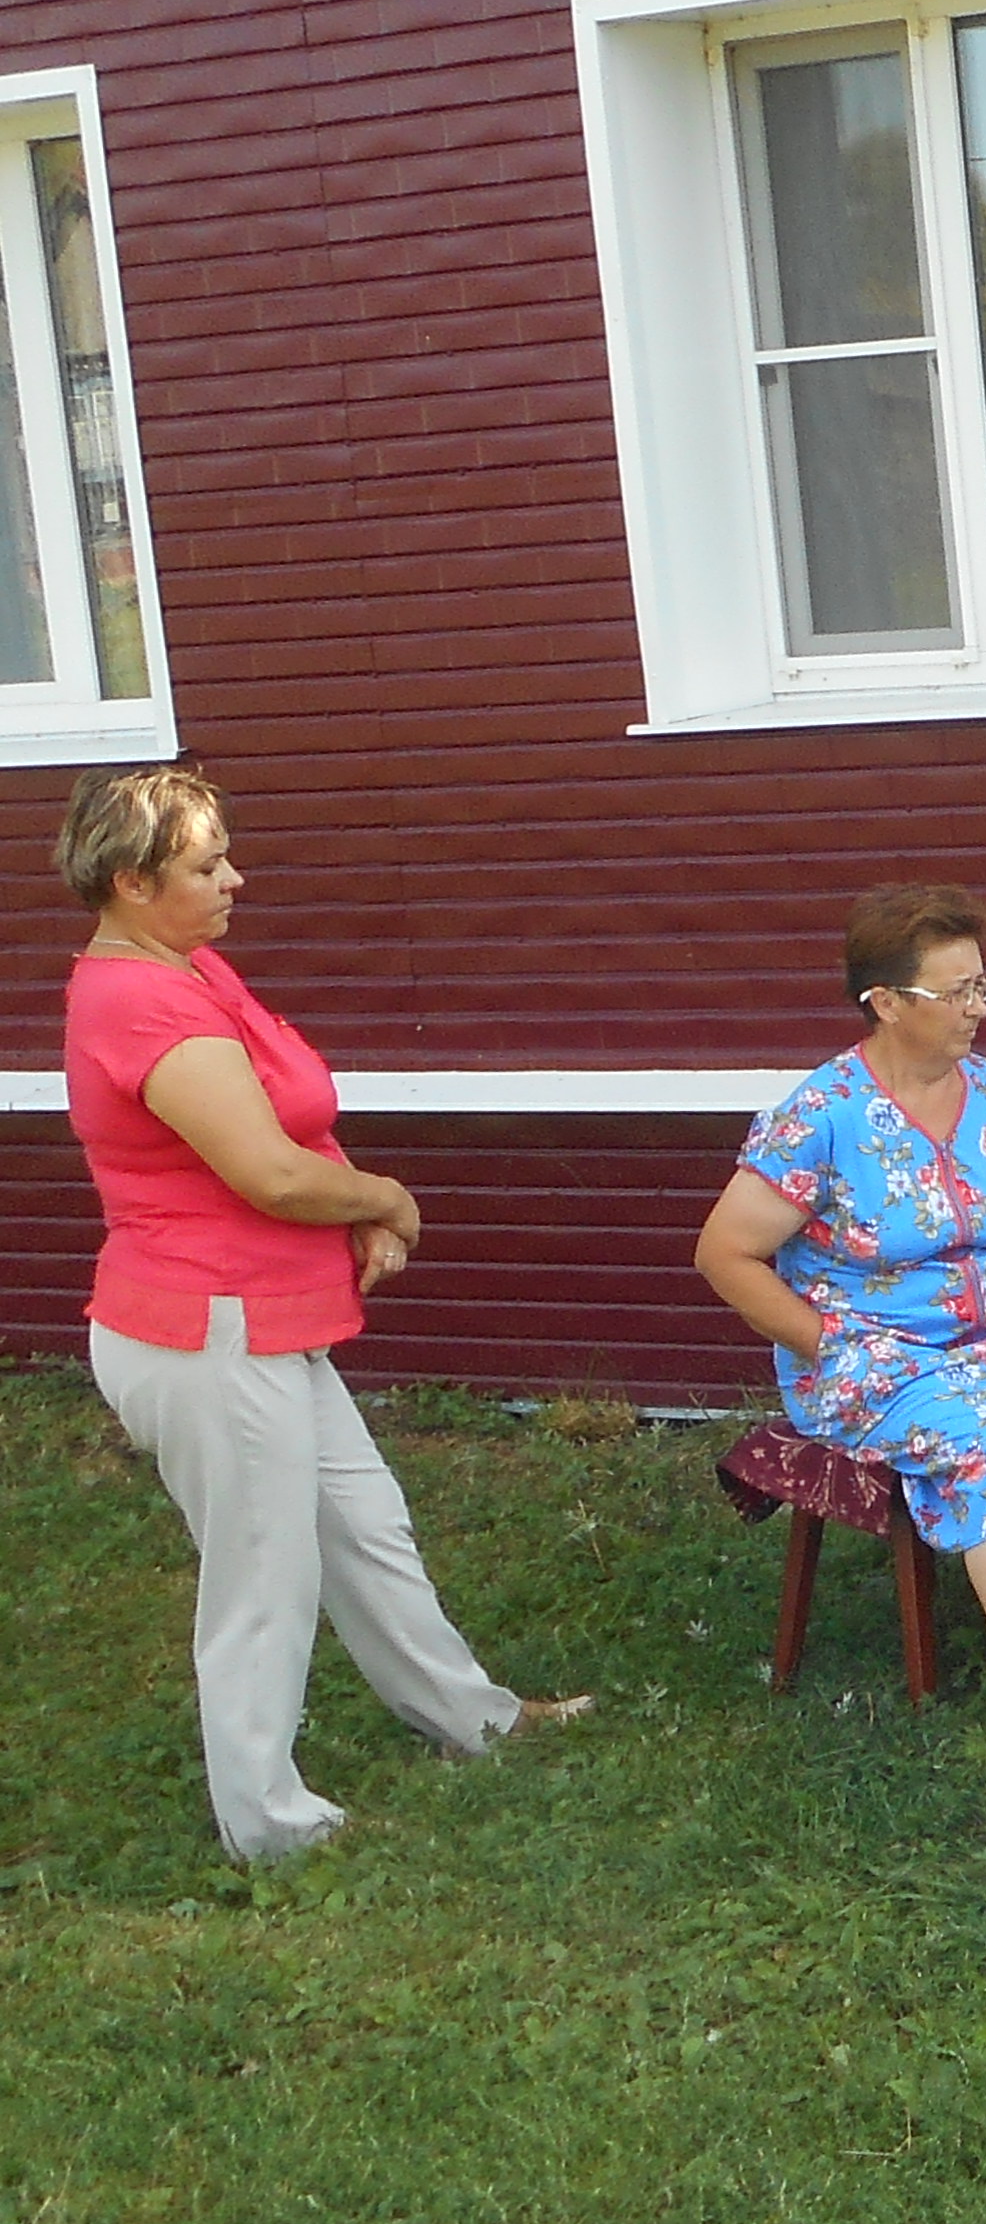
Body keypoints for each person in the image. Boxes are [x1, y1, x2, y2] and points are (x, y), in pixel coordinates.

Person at [57, 764, 588, 1863]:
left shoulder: (193, 970)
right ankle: (270, 1826)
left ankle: (472, 1720)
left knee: (364, 1528)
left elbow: (293, 1112)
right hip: (204, 1328)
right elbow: (267, 1172)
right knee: (264, 1575)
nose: (234, 879)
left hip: (266, 1319)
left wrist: (351, 1208)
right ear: (129, 881)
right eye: (206, 866)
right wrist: (388, 1199)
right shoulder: (139, 998)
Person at [695, 883, 986, 1759]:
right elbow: (724, 1256)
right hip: (879, 1355)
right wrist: (826, 1346)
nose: (975, 1009)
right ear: (883, 1002)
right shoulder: (822, 1116)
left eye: (982, 986)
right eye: (952, 993)